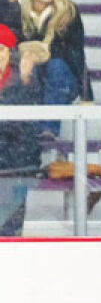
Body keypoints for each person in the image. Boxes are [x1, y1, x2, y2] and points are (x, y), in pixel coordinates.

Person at [15, 0, 91, 136]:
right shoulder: (19, 10)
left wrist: (87, 94)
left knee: (56, 65)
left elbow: (75, 53)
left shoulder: (69, 11)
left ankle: (49, 128)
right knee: (25, 69)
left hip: (62, 79)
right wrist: (25, 61)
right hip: (33, 76)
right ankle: (27, 133)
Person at [0, 23, 41, 235]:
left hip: (16, 165)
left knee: (9, 231)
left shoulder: (24, 79)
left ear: (9, 53)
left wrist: (25, 82)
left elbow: (26, 127)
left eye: (1, 49)